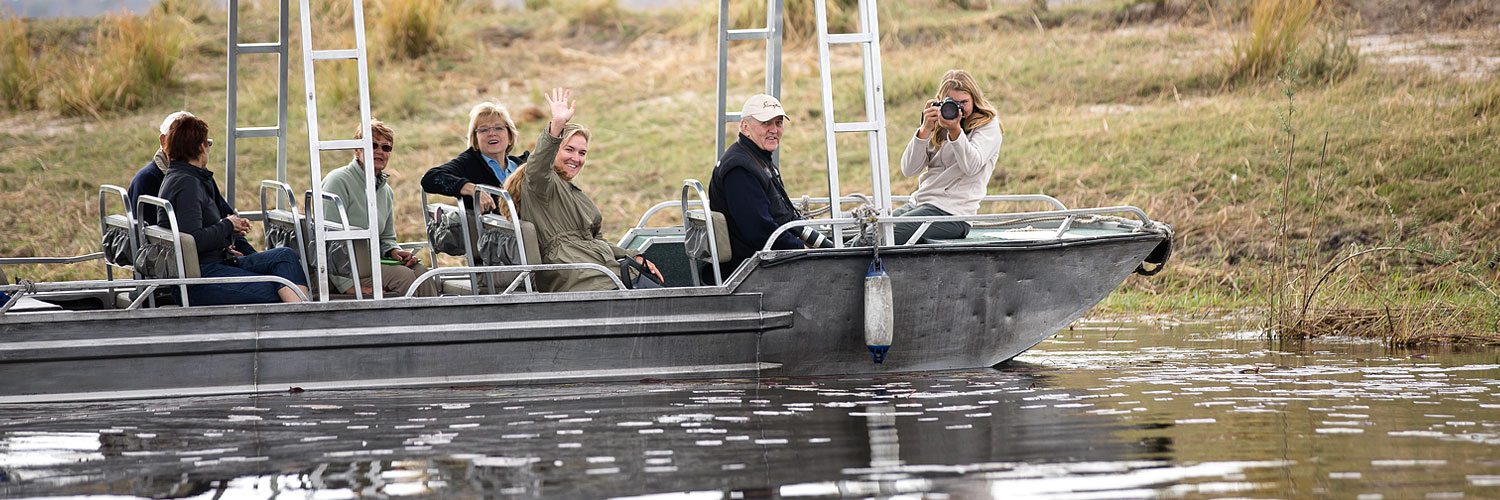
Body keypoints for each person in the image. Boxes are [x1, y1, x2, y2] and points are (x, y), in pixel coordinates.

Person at [510, 88, 661, 292]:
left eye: (582, 153)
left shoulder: (571, 191)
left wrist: (632, 255)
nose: (576, 158)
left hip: (595, 269)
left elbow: (593, 241)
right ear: (554, 150)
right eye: (569, 149)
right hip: (574, 274)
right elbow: (538, 165)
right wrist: (557, 126)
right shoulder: (541, 185)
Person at [155, 115, 309, 305]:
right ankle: (303, 318)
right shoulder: (186, 184)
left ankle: (303, 311)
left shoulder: (192, 178)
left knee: (284, 256)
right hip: (200, 279)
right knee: (279, 288)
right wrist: (227, 225)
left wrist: (228, 236)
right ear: (200, 146)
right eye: (208, 143)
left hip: (218, 262)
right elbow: (193, 240)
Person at [321, 120, 437, 297]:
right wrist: (346, 285)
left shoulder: (385, 191)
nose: (379, 151)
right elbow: (326, 240)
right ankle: (407, 323)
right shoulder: (338, 181)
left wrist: (394, 251)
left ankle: (434, 322)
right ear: (357, 149)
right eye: (372, 145)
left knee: (423, 273)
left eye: (386, 148)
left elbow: (386, 237)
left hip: (373, 263)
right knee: (404, 277)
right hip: (346, 272)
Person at [892, 69, 1003, 245]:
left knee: (886, 234)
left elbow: (971, 166)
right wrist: (924, 130)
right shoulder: (937, 123)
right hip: (920, 205)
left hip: (953, 214)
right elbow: (908, 169)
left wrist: (955, 131)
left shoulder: (987, 126)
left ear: (975, 100)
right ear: (939, 101)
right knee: (870, 231)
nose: (958, 109)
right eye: (952, 103)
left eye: (964, 102)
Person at [129, 111, 254, 256]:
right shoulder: (148, 180)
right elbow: (154, 240)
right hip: (185, 266)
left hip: (213, 254)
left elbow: (225, 216)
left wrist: (246, 253)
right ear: (164, 141)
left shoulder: (197, 174)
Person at [707, 94, 807, 275]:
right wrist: (803, 249)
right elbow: (760, 232)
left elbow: (780, 216)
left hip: (764, 261)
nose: (774, 130)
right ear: (745, 128)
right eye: (765, 123)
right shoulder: (740, 168)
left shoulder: (757, 158)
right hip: (748, 271)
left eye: (778, 123)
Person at [420, 102, 531, 215]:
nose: (492, 133)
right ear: (475, 139)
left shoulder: (523, 164)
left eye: (498, 128)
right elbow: (430, 178)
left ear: (510, 136)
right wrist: (472, 189)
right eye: (483, 130)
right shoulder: (469, 163)